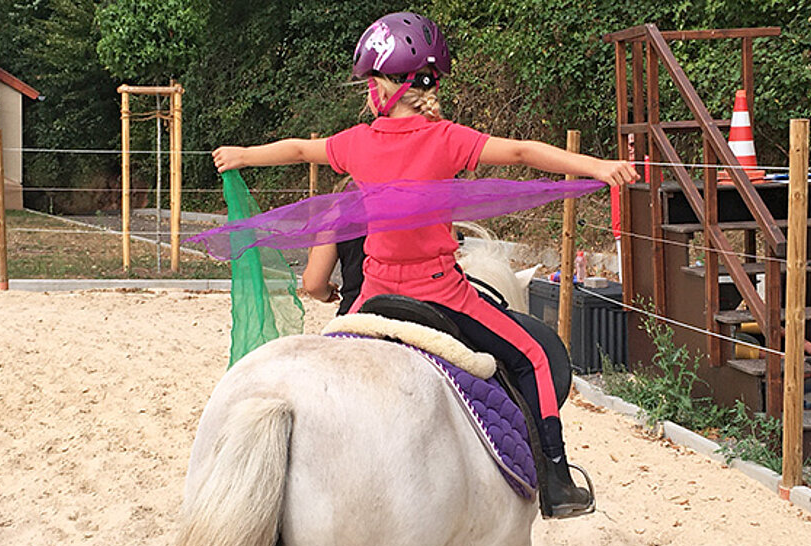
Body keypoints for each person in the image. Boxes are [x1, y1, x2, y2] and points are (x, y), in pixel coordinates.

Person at [212, 12, 637, 518]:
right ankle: (557, 481)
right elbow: (523, 152)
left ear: (389, 89)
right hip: (440, 295)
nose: (368, 93)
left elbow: (302, 149)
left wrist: (244, 155)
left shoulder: (356, 142)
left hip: (372, 297)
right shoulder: (448, 139)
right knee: (536, 358)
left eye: (372, 82)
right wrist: (597, 166)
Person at [301, 237, 366, 315]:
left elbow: (313, 285)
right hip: (382, 304)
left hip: (354, 310)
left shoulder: (334, 226)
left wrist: (327, 293)